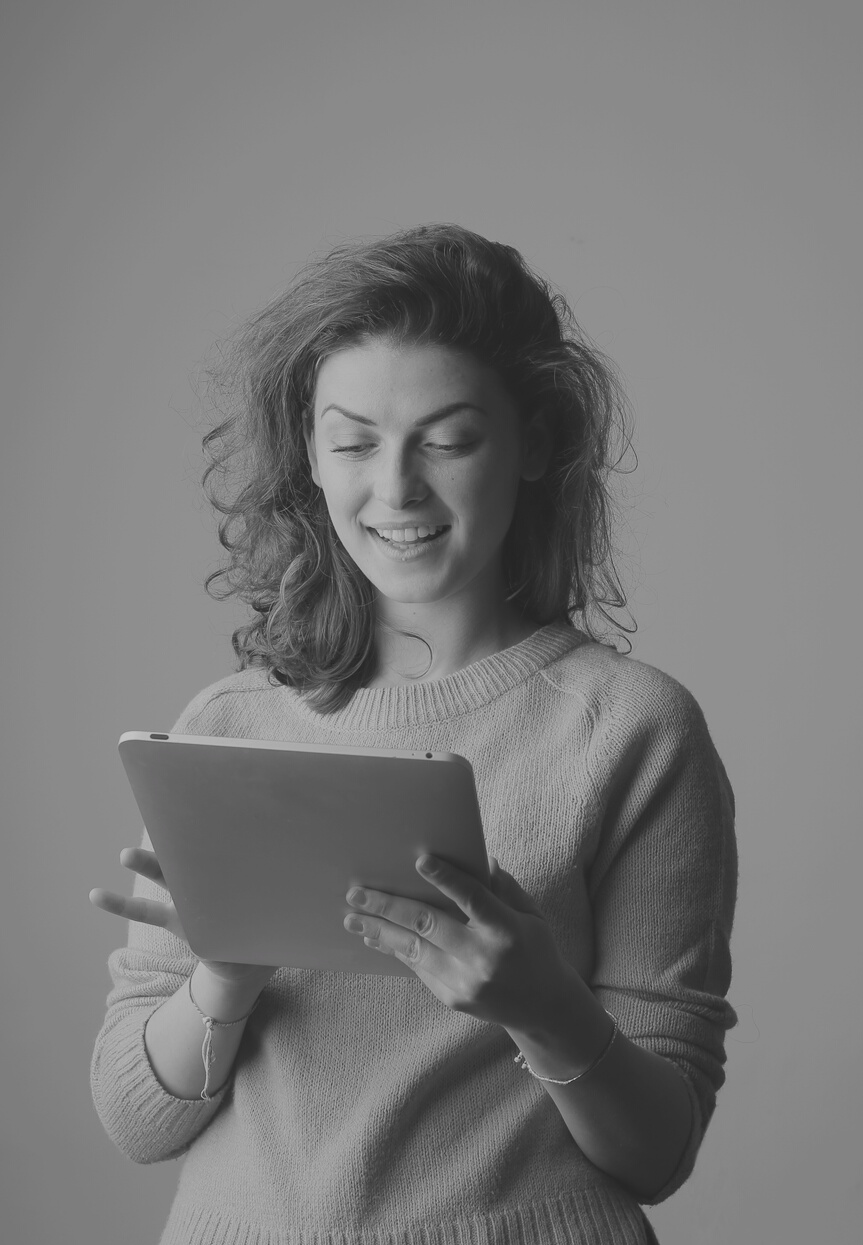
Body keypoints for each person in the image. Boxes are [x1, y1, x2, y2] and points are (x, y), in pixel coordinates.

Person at [90, 224, 737, 1245]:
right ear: (309, 455)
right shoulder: (228, 726)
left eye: (446, 440)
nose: (394, 490)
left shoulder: (628, 729)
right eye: (352, 443)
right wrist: (225, 968)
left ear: (531, 442)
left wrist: (542, 1007)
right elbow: (139, 1120)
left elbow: (656, 1155)